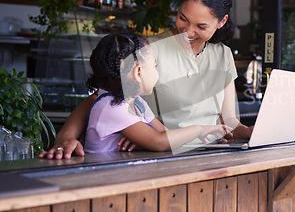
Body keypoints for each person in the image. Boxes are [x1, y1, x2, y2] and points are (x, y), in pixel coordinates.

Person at [40, 0, 252, 159]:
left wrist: (248, 132)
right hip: (159, 158)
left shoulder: (222, 54)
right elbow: (99, 98)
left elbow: (230, 120)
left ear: (222, 22)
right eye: (182, 18)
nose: (187, 31)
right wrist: (66, 137)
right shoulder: (149, 50)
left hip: (209, 157)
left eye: (201, 26)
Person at [82, 32, 231, 153]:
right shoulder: (111, 107)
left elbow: (165, 134)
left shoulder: (138, 103)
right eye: (154, 65)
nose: (157, 70)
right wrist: (199, 129)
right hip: (104, 182)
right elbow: (159, 142)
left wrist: (144, 143)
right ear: (138, 72)